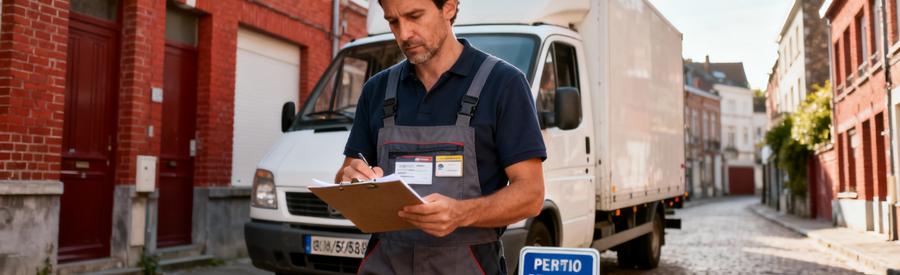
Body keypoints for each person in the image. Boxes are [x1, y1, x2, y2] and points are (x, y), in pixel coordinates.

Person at [336, 0, 546, 273]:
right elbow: (345, 175)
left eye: (414, 16)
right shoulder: (376, 90)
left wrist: (461, 213)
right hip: (385, 263)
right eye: (393, 22)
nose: (404, 34)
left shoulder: (504, 84)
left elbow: (531, 194)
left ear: (449, 7)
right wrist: (350, 180)